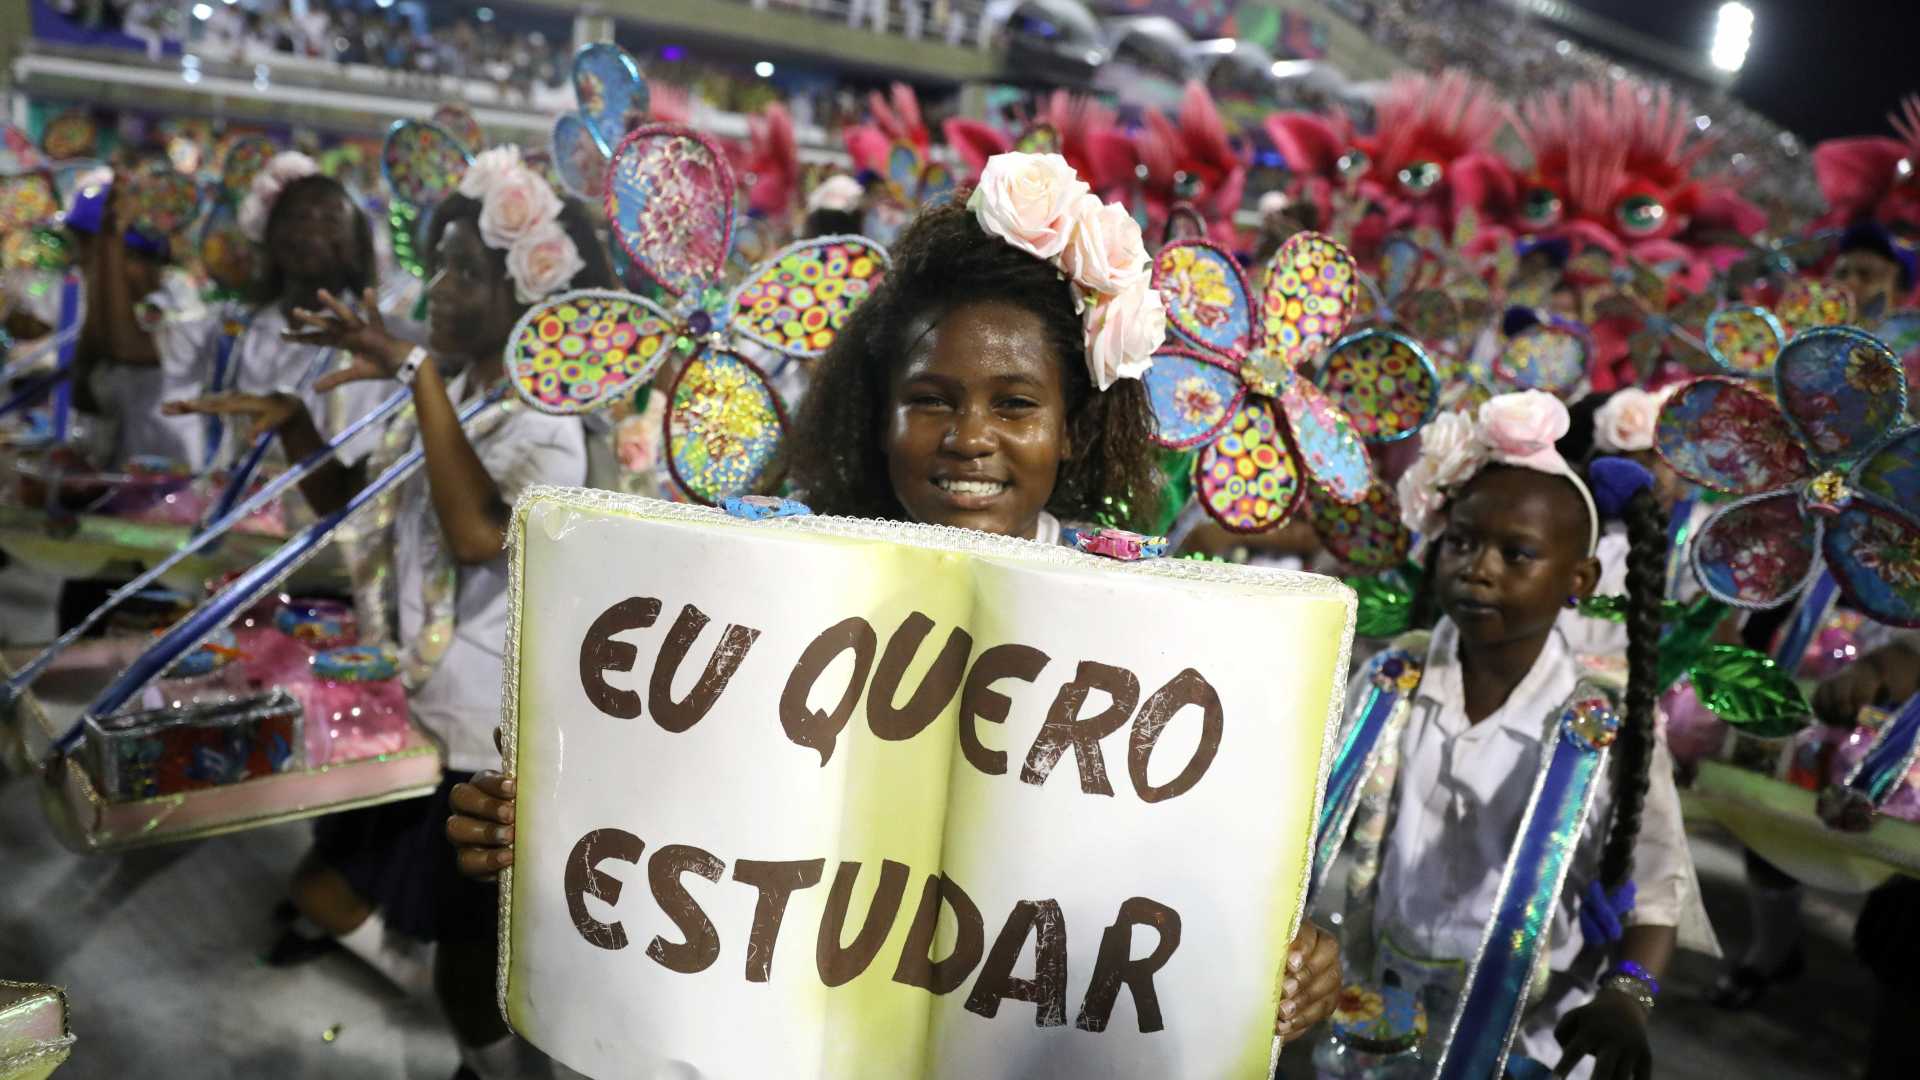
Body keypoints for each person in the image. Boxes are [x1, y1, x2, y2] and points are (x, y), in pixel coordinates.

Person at [446, 154, 1346, 1049]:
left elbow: (1197, 874)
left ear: (1074, 428)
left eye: (1017, 404)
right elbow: (682, 806)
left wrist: (1285, 964)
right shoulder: (776, 586)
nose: (969, 439)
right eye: (930, 400)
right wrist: (546, 820)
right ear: (878, 416)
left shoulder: (1148, 630)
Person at [164, 147, 615, 1080]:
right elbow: (353, 500)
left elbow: (477, 533)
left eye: (461, 271)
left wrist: (413, 368)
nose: (436, 287)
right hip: (420, 712)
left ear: (521, 293)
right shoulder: (460, 398)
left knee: (472, 958)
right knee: (448, 951)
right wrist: (294, 421)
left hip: (482, 741)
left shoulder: (544, 423)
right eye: (438, 264)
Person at [1340, 391, 1698, 1079]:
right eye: (1464, 542)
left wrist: (1627, 999)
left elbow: (1656, 891)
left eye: (1518, 553)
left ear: (1579, 579)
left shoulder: (1605, 727)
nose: (1479, 568)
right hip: (1383, 1011)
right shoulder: (1391, 681)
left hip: (1531, 1035)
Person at [146, 152, 386, 477]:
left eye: (329, 221)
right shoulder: (227, 330)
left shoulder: (377, 343)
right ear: (271, 234)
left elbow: (365, 449)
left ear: (356, 242)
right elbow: (179, 407)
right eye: (297, 218)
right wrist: (211, 467)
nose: (310, 233)